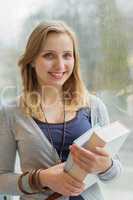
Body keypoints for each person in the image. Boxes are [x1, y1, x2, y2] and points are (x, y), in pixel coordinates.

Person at [0, 20, 122, 200]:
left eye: (67, 55)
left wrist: (105, 165)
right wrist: (42, 178)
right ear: (32, 60)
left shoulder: (94, 106)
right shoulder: (11, 112)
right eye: (49, 55)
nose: (60, 65)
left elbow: (115, 172)